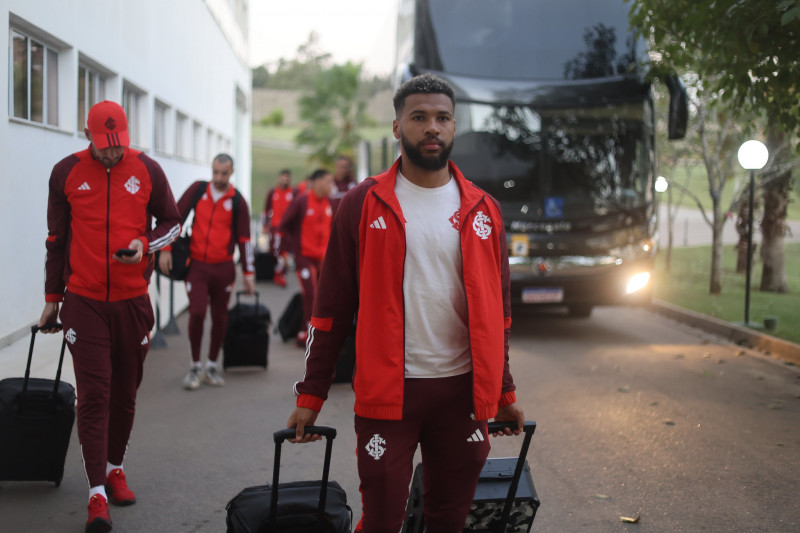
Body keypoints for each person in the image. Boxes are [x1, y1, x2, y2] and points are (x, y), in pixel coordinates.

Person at [286, 74, 525, 532]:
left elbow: (500, 315)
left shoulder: (484, 209)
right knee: (381, 521)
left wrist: (504, 390)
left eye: (442, 118)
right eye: (419, 117)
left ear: (454, 127)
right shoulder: (362, 203)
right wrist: (311, 393)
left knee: (449, 520)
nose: (431, 127)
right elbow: (329, 308)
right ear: (397, 127)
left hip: (463, 396)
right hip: (388, 396)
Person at [39, 100, 181, 533]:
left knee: (124, 393)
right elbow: (55, 239)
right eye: (105, 147)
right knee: (95, 394)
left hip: (133, 300)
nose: (112, 154)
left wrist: (145, 244)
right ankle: (96, 492)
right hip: (83, 301)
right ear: (88, 137)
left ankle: (115, 467)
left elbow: (172, 222)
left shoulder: (148, 169)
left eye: (119, 147)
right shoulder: (65, 172)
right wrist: (52, 297)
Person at [158, 154, 255, 391]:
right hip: (198, 266)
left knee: (220, 316)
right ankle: (194, 366)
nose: (218, 178)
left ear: (231, 173)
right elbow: (175, 218)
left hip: (224, 268)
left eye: (224, 173)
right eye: (215, 172)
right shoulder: (198, 190)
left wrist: (249, 272)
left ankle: (211, 366)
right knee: (198, 312)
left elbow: (245, 240)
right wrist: (165, 249)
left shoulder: (239, 201)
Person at [278, 168, 334, 347]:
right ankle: (312, 334)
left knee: (320, 296)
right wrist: (285, 252)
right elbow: (283, 225)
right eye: (328, 182)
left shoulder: (329, 203)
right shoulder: (301, 201)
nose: (331, 186)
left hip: (322, 259)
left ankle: (305, 331)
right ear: (317, 182)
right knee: (311, 294)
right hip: (304, 258)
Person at [262, 168, 294, 287]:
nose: (285, 180)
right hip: (275, 228)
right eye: (283, 177)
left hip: (288, 229)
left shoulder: (293, 192)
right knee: (275, 252)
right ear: (279, 178)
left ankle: (281, 275)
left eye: (287, 178)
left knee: (286, 253)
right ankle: (277, 273)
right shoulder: (273, 192)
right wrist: (265, 225)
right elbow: (266, 210)